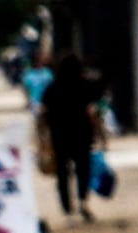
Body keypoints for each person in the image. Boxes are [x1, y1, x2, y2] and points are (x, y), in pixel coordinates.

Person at [39, 52, 103, 223]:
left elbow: (43, 114)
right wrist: (100, 134)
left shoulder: (51, 88)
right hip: (82, 134)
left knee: (62, 173)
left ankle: (67, 208)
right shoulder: (84, 85)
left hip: (59, 136)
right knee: (83, 169)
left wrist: (43, 140)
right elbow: (93, 111)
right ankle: (82, 202)